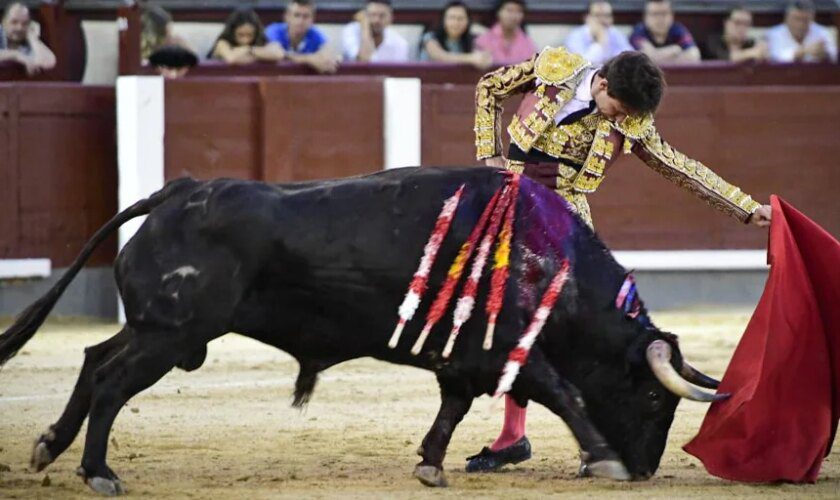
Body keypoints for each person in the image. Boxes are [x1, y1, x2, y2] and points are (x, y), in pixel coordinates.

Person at [470, 47, 772, 472]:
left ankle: (594, 443)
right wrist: (489, 155)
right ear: (602, 83)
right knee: (509, 321)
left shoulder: (631, 121)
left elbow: (680, 167)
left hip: (566, 224)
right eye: (617, 108)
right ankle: (512, 436)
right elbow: (489, 88)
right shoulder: (555, 69)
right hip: (512, 205)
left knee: (577, 333)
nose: (618, 119)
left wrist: (746, 207)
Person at [265, 0, 340, 73]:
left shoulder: (315, 34)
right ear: (287, 17)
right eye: (296, 15)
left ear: (312, 19)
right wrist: (309, 59)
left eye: (306, 16)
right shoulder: (274, 31)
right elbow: (277, 54)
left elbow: (328, 53)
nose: (300, 21)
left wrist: (327, 58)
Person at [419, 1, 491, 70]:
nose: (456, 22)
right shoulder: (430, 37)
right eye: (452, 18)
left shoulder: (472, 40)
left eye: (460, 18)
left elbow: (483, 57)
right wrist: (471, 58)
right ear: (443, 20)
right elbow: (440, 56)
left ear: (468, 22)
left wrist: (483, 59)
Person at [630, 0, 700, 64]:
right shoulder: (638, 32)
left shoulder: (678, 30)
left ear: (672, 15)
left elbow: (694, 55)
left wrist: (661, 58)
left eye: (664, 14)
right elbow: (648, 58)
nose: (660, 19)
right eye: (655, 14)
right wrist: (674, 50)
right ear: (645, 17)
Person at [766, 0, 837, 63]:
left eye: (805, 20)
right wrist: (804, 52)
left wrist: (824, 54)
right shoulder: (773, 34)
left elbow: (834, 56)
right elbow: (775, 57)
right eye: (797, 19)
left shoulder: (823, 33)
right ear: (786, 18)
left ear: (812, 19)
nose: (800, 24)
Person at [564, 0, 633, 64]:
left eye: (607, 16)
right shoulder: (575, 37)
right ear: (587, 18)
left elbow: (630, 58)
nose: (602, 20)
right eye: (598, 15)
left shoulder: (615, 33)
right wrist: (600, 42)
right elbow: (583, 66)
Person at [209, 8, 285, 65]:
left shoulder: (259, 41)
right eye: (240, 35)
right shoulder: (222, 43)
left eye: (250, 35)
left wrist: (250, 49)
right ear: (232, 32)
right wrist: (260, 55)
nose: (245, 40)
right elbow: (231, 58)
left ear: (256, 33)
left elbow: (279, 54)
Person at [342, 0, 409, 63]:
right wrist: (365, 28)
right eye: (372, 15)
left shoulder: (400, 43)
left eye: (382, 16)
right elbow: (363, 61)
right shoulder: (350, 31)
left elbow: (399, 73)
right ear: (364, 16)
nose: (376, 20)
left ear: (390, 18)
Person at [474, 0, 537, 66]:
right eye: (509, 10)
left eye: (518, 11)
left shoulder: (528, 43)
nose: (514, 16)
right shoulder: (483, 40)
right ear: (498, 13)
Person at [0, 2, 55, 75]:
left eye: (25, 23)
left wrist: (32, 38)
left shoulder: (27, 43)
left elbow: (49, 62)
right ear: (3, 23)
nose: (19, 28)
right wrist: (16, 55)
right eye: (14, 22)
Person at [703, 6, 768, 62]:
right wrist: (750, 53)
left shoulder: (750, 44)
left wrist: (762, 52)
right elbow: (726, 57)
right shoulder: (713, 41)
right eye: (737, 23)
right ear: (726, 23)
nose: (742, 28)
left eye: (746, 24)